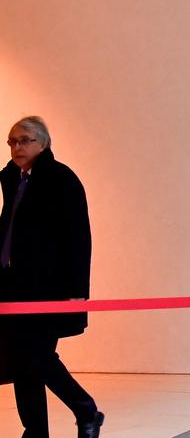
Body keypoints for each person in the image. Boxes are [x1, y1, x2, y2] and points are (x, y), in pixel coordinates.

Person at [0, 116, 103, 438]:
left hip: (48, 287)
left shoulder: (61, 179)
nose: (17, 147)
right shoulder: (12, 178)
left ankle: (86, 409)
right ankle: (35, 431)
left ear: (43, 143)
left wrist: (77, 290)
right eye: (12, 141)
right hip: (12, 286)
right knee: (21, 361)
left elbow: (79, 237)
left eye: (25, 140)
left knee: (38, 356)